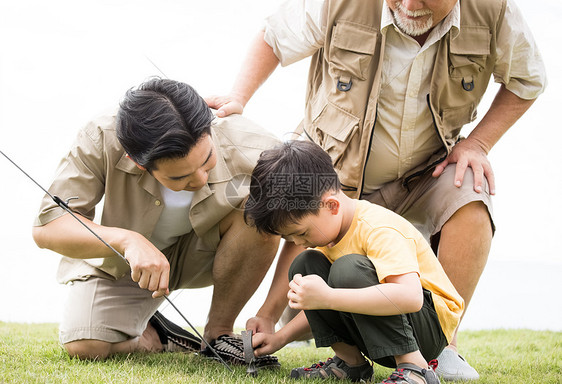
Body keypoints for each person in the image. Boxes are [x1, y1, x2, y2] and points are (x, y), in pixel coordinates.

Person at [205, 0, 546, 379]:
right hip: (341, 172)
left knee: (469, 194)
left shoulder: (494, 10)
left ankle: (432, 356)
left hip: (428, 172)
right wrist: (238, 97)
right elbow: (274, 36)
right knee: (309, 245)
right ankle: (347, 362)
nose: (410, 5)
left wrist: (477, 143)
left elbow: (528, 79)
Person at [32, 78, 282, 367]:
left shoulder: (254, 143)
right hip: (128, 265)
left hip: (210, 253)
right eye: (180, 177)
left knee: (261, 211)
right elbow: (47, 227)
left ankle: (218, 335)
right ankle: (157, 335)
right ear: (138, 162)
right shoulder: (101, 135)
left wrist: (269, 313)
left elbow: (311, 224)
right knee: (84, 346)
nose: (200, 179)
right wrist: (127, 241)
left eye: (207, 160)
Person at [243, 140, 463, 383]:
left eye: (302, 232)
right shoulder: (329, 235)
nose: (298, 242)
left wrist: (327, 297)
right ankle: (350, 363)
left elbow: (410, 297)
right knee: (305, 265)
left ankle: (415, 369)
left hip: (427, 329)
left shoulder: (377, 228)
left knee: (348, 270)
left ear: (332, 205)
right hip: (382, 328)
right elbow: (324, 298)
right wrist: (280, 338)